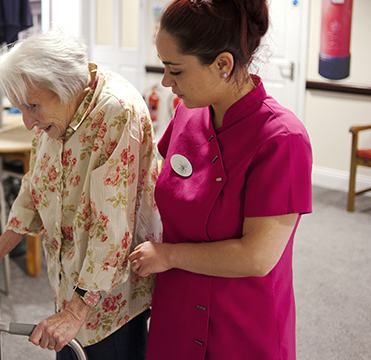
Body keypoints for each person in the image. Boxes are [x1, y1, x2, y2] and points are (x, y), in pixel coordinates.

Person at [0, 30, 162, 360]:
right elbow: (33, 191)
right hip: (69, 287)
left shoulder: (117, 112)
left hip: (112, 298)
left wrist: (75, 312)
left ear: (66, 87)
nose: (27, 122)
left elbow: (111, 225)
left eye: (32, 107)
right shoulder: (54, 116)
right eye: (20, 108)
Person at [128, 1, 313, 359]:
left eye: (175, 70)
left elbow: (256, 256)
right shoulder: (187, 115)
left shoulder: (283, 139)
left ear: (223, 65)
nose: (166, 82)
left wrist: (168, 255)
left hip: (241, 326)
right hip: (176, 312)